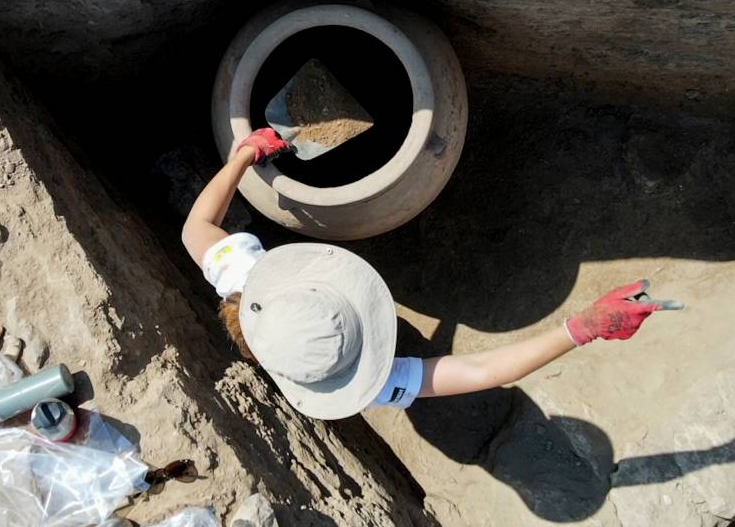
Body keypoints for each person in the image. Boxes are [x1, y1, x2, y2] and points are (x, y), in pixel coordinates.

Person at [181, 128, 671, 419]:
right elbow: (477, 371)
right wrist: (579, 329)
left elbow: (195, 228)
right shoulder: (363, 384)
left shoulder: (245, 287)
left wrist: (245, 154)